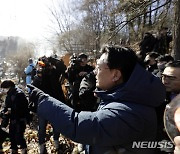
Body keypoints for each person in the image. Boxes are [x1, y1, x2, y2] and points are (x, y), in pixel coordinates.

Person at [27, 45, 166, 154]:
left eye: (98, 68)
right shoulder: (125, 96)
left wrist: (42, 100)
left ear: (116, 74)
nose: (94, 72)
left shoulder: (129, 112)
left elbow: (80, 125)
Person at [0, 80, 29, 154]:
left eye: (4, 88)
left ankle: (23, 148)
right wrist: (4, 112)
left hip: (20, 118)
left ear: (9, 87)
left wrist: (11, 111)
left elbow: (22, 108)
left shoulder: (19, 94)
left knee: (19, 134)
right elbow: (7, 106)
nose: (3, 90)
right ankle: (13, 149)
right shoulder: (9, 94)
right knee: (12, 135)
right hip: (13, 117)